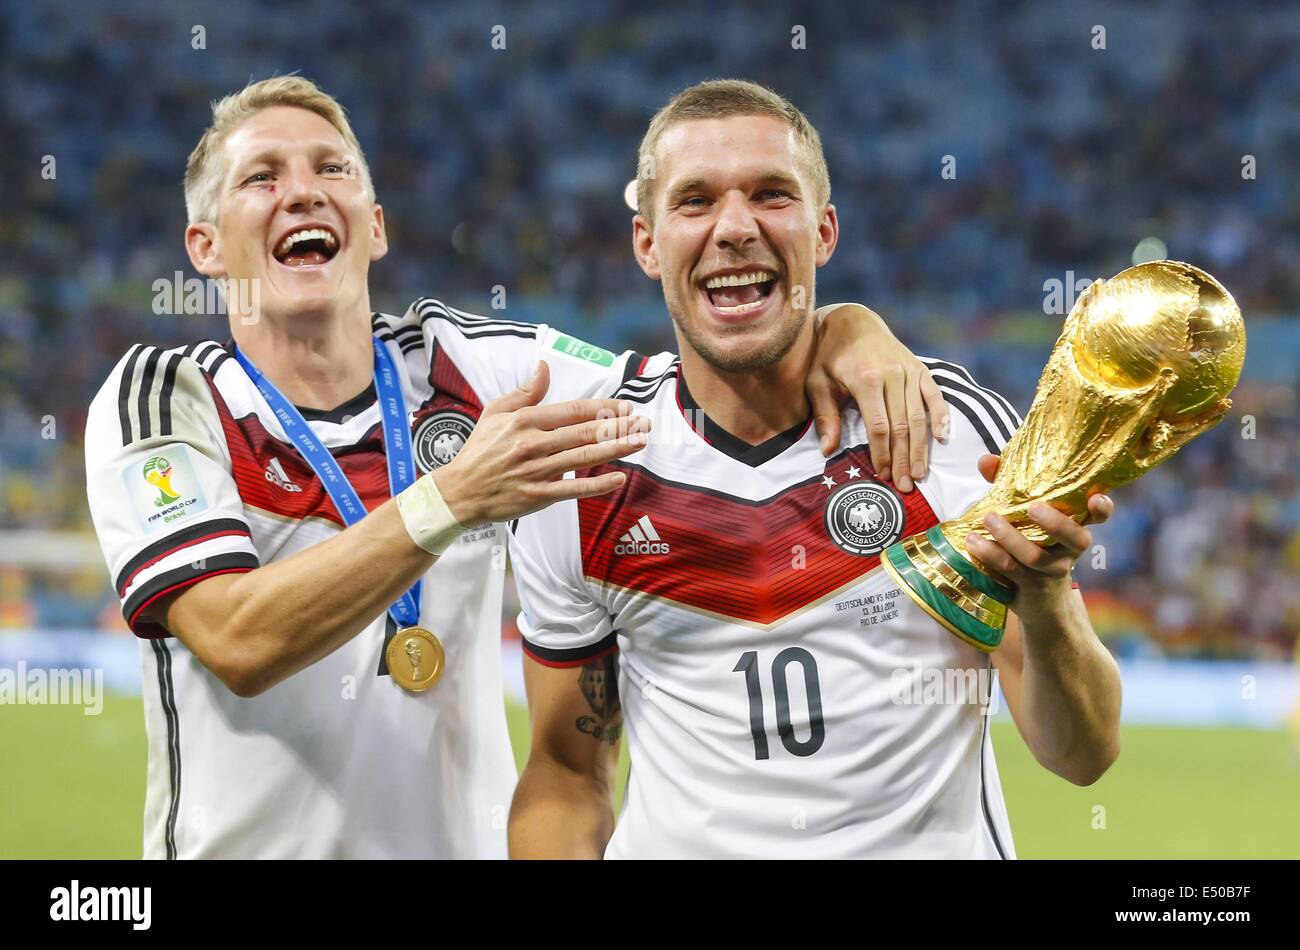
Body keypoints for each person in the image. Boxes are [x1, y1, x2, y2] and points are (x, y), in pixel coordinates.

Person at [83, 76, 942, 859]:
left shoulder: (475, 365)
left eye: (333, 169)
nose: (302, 191)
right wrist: (452, 498)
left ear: (374, 225)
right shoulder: (164, 399)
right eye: (262, 178)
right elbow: (238, 638)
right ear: (204, 244)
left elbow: (703, 371)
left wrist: (840, 323)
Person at [507, 79, 1122, 859]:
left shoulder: (953, 431)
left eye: (771, 194)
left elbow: (1083, 753)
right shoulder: (589, 478)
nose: (734, 228)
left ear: (824, 231)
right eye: (695, 201)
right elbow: (565, 774)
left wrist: (1044, 596)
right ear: (647, 244)